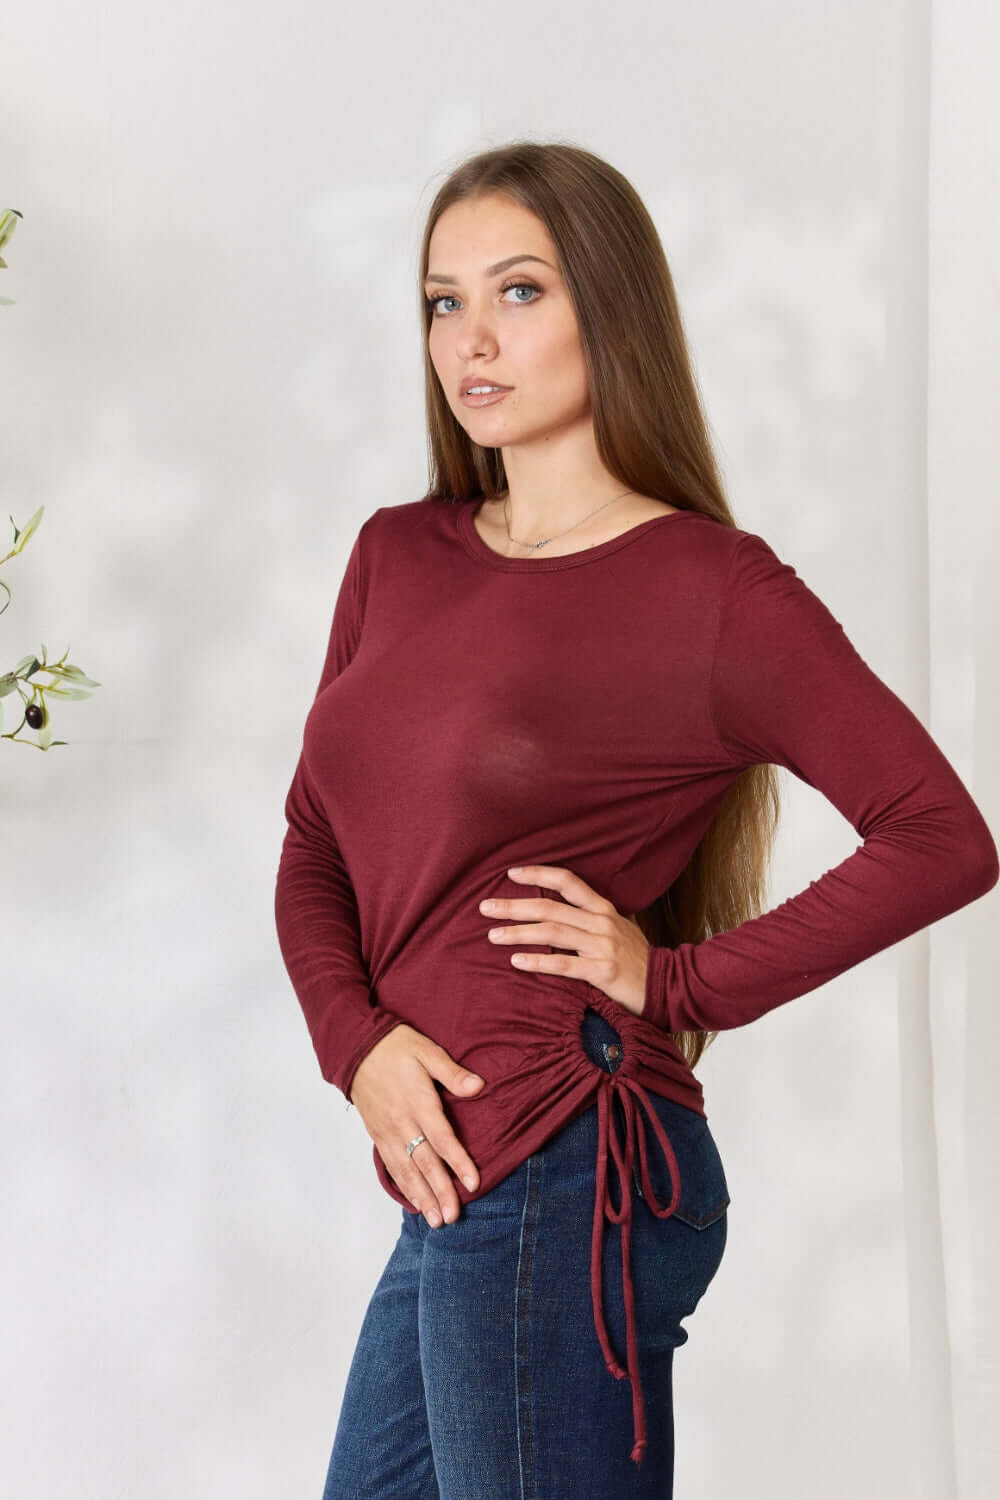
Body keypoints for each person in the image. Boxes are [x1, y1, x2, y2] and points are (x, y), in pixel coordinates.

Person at [273, 140, 999, 1500]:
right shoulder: (395, 555)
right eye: (443, 301)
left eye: (520, 292)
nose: (472, 338)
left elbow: (940, 836)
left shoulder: (715, 593)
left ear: (611, 310)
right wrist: (356, 1048)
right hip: (459, 1172)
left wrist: (677, 980)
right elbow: (315, 842)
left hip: (566, 1160)